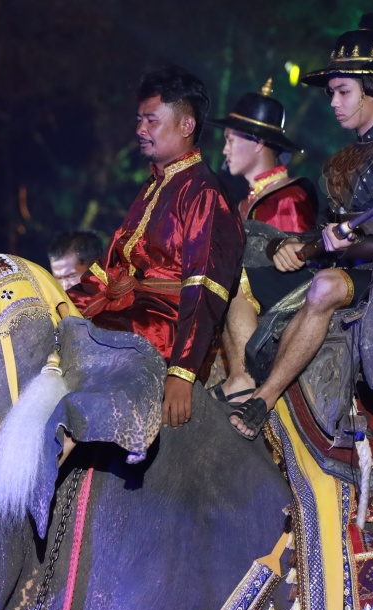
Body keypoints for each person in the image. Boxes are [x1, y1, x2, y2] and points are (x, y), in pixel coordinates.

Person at [227, 15, 373, 440]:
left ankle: (264, 400)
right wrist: (290, 246)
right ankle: (240, 379)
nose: (333, 101)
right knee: (235, 279)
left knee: (326, 285)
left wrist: (354, 246)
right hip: (340, 267)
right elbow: (328, 232)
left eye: (343, 91)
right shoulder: (345, 158)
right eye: (331, 92)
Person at [69, 64, 244, 428]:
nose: (140, 129)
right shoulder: (154, 186)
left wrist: (181, 372)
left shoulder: (204, 193)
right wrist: (60, 304)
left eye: (150, 120)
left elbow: (204, 288)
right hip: (125, 314)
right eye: (139, 120)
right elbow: (110, 269)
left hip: (161, 328)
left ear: (186, 125)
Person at [210, 80, 319, 401]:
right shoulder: (244, 202)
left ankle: (244, 378)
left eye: (231, 140)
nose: (225, 150)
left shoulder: (290, 196)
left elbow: (295, 265)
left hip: (287, 299)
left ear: (258, 143)